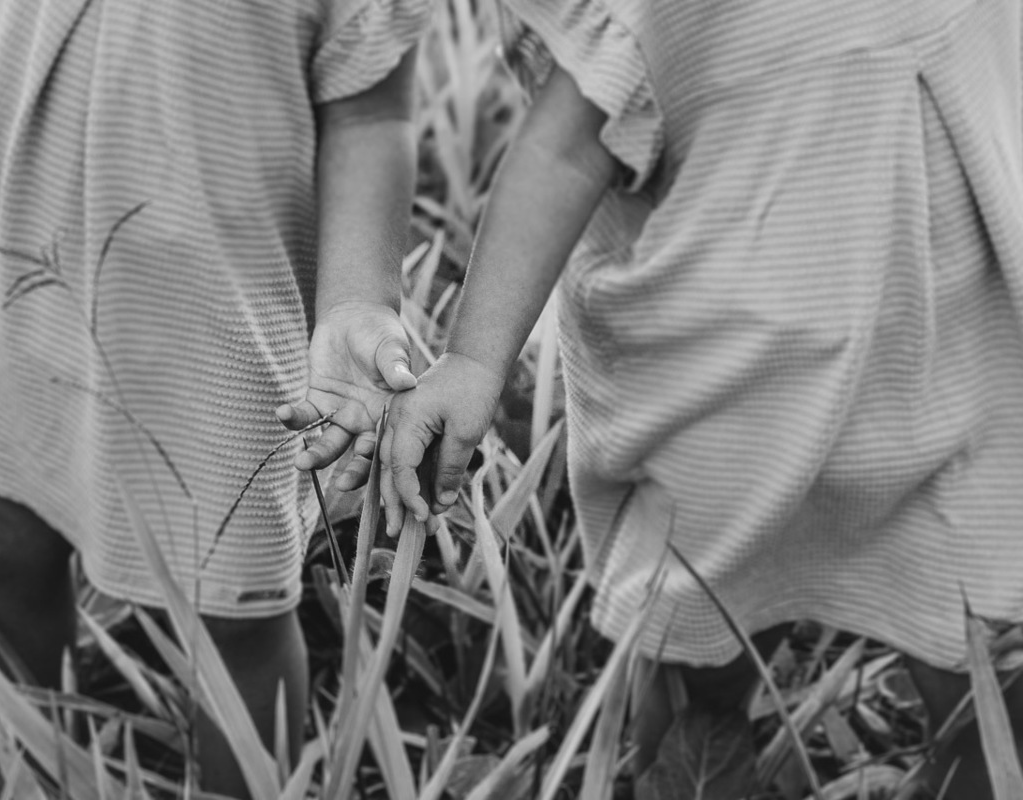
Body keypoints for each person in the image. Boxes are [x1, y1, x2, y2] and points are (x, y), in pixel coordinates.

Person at [375, 0, 1023, 796]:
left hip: (948, 358)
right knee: (697, 666)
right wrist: (475, 361)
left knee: (980, 665)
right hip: (735, 391)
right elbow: (567, 148)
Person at [0, 0, 431, 795]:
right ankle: (27, 768)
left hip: (213, 292)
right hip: (8, 238)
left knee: (234, 607)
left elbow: (371, 112)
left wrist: (357, 299)